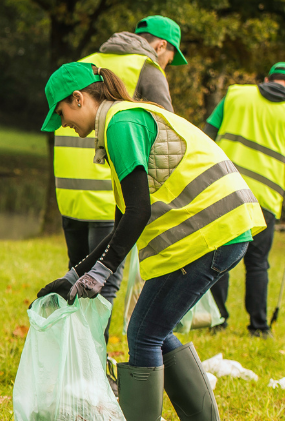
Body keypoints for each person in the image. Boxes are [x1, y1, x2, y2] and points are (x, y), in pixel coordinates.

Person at [36, 63, 266, 421]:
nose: (63, 124)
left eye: (62, 114)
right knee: (153, 330)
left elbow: (138, 211)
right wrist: (75, 275)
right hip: (220, 230)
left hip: (210, 233)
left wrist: (101, 272)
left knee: (143, 332)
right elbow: (123, 221)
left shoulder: (121, 124)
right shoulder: (123, 123)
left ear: (79, 99)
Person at [51, 15, 188, 306]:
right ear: (161, 46)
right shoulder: (147, 70)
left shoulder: (84, 63)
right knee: (102, 286)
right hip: (111, 194)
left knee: (77, 283)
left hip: (69, 193)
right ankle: (95, 353)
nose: (167, 66)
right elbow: (167, 136)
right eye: (171, 58)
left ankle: (84, 352)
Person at [202, 62, 285, 338]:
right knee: (258, 263)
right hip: (263, 200)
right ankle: (259, 327)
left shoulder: (236, 94)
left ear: (266, 79)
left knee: (218, 257)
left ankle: (216, 321)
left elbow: (206, 138)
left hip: (224, 188)